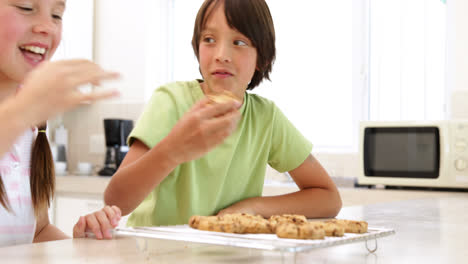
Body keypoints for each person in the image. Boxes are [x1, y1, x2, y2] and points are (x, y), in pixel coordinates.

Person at [104, 0, 342, 227]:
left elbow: (329, 198)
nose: (221, 54)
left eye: (239, 42)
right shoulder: (170, 102)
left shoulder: (266, 118)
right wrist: (173, 150)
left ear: (263, 58)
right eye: (209, 39)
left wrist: (253, 206)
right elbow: (116, 200)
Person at [0, 0, 122, 247]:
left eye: (57, 15)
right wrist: (22, 111)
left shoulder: (30, 129)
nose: (48, 27)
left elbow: (37, 231)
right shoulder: (21, 117)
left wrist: (80, 246)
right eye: (25, 7)